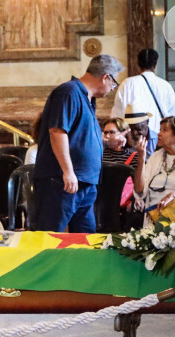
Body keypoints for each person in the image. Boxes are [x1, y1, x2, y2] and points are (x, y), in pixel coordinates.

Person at [34, 54, 124, 232]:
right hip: (61, 182)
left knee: (85, 240)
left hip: (85, 183)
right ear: (105, 77)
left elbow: (79, 138)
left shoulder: (87, 98)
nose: (112, 88)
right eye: (114, 83)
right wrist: (68, 171)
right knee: (50, 236)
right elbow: (57, 131)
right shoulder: (68, 92)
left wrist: (106, 143)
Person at [110, 48, 175, 146]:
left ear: (138, 64)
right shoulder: (166, 86)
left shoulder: (127, 84)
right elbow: (172, 117)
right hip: (160, 141)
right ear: (155, 64)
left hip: (133, 141)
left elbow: (117, 117)